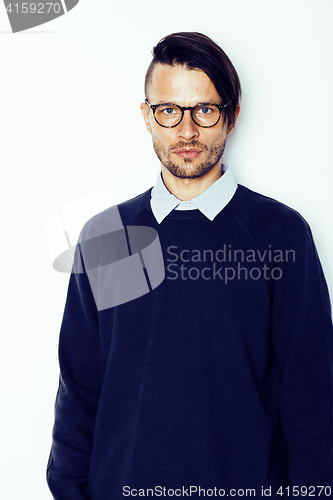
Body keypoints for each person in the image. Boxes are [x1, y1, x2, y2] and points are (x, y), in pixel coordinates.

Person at [47, 32, 333, 499]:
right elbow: (80, 393)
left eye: (204, 110)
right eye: (169, 110)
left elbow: (311, 398)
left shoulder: (279, 235)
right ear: (147, 116)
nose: (186, 132)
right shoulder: (108, 238)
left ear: (232, 116)